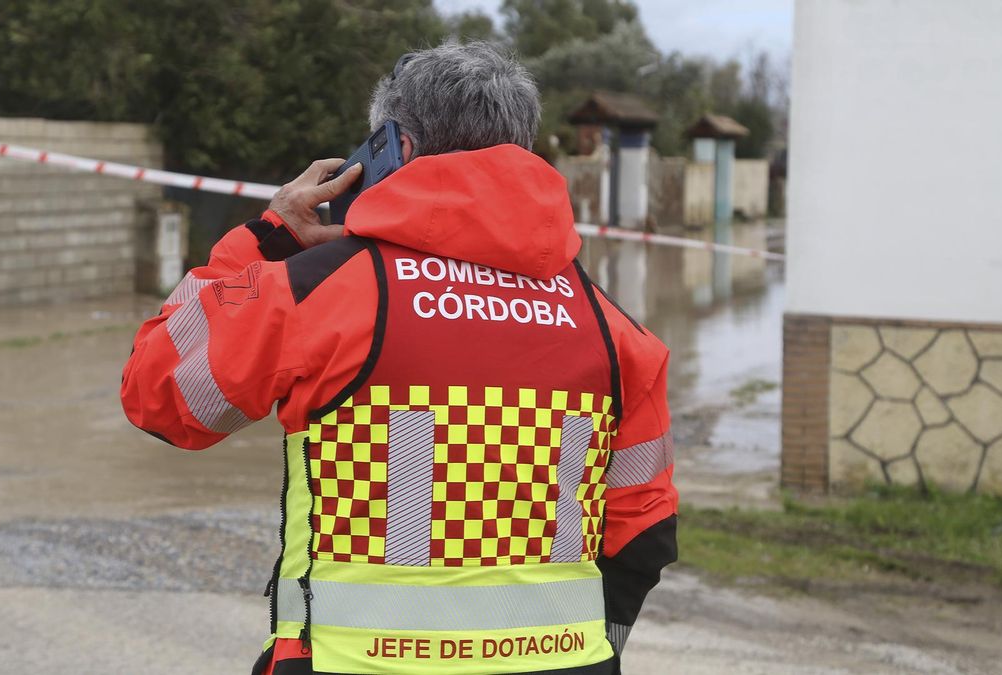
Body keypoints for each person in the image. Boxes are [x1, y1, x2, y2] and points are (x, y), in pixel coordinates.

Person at [121, 42, 677, 675]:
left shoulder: (316, 291)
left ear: (397, 148)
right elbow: (644, 529)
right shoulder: (615, 330)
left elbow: (158, 394)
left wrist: (267, 238)